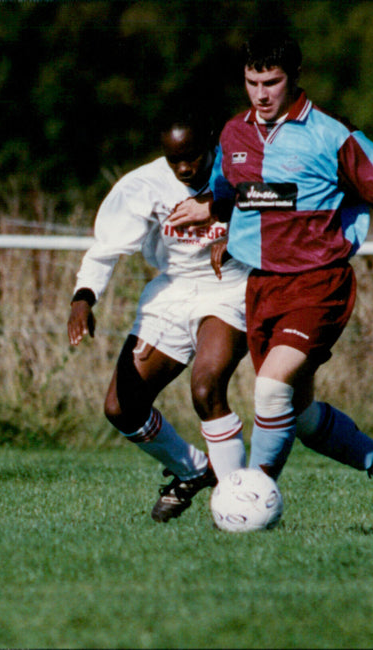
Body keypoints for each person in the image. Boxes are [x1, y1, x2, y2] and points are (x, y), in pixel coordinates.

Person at [168, 33, 373, 532]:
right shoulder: (234, 134)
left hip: (318, 282)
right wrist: (208, 211)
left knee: (268, 388)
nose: (261, 94)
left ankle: (249, 500)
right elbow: (229, 193)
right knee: (298, 415)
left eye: (272, 82)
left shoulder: (331, 135)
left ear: (294, 78)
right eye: (252, 82)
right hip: (262, 285)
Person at [67, 109, 252, 523]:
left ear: (210, 142)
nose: (185, 168)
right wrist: (84, 297)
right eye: (174, 160)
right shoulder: (143, 185)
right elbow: (107, 246)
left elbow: (277, 203)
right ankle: (194, 470)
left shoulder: (241, 165)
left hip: (231, 288)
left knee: (206, 388)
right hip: (173, 291)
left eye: (192, 156)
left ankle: (240, 504)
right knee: (121, 407)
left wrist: (235, 229)